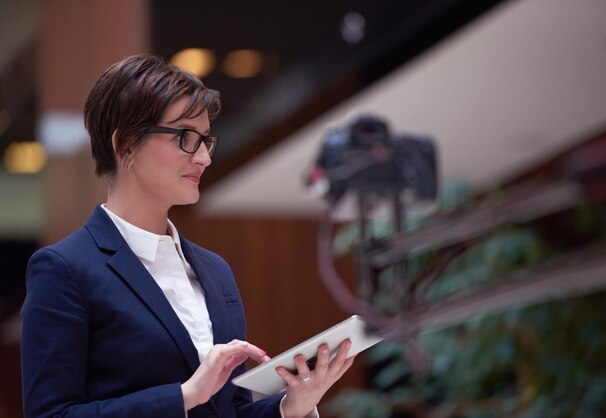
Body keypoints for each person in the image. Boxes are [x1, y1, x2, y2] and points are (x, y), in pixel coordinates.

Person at [20, 54, 355, 418]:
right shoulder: (64, 269)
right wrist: (183, 396)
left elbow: (231, 409)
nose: (204, 158)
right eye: (184, 137)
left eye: (205, 140)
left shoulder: (215, 270)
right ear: (125, 144)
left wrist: (291, 408)